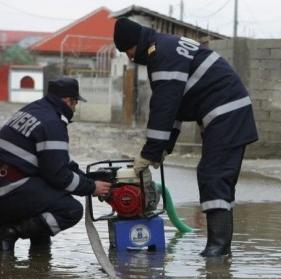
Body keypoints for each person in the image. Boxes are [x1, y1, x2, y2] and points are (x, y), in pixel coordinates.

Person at [113, 18, 258, 257]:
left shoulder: (161, 54)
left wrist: (150, 152)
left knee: (213, 175)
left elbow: (164, 107)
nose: (129, 57)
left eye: (127, 50)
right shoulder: (164, 48)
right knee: (216, 176)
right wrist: (163, 149)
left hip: (227, 113)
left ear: (135, 43)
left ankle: (218, 250)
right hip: (227, 113)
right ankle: (221, 250)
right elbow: (176, 109)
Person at [0, 78, 112, 251]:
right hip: (8, 190)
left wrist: (87, 178)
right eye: (75, 104)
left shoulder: (36, 109)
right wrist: (91, 188)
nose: (75, 108)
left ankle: (38, 246)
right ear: (68, 101)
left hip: (8, 182)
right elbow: (58, 176)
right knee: (70, 209)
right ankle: (10, 231)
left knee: (50, 196)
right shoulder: (53, 123)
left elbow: (59, 161)